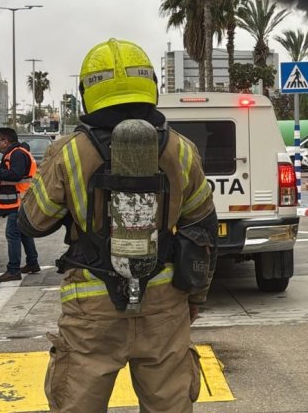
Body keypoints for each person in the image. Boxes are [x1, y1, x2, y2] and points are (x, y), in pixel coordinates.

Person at [18, 38, 216, 413]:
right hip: (165, 304)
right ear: (151, 85)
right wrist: (196, 299)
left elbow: (32, 222)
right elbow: (204, 230)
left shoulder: (70, 152)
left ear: (87, 93)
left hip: (91, 309)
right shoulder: (183, 150)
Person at [0, 127, 40, 282]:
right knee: (23, 233)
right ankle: (32, 263)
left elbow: (15, 176)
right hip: (20, 200)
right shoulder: (13, 153)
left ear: (5, 141)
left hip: (18, 201)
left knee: (13, 234)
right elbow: (1, 178)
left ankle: (13, 270)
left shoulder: (17, 154)